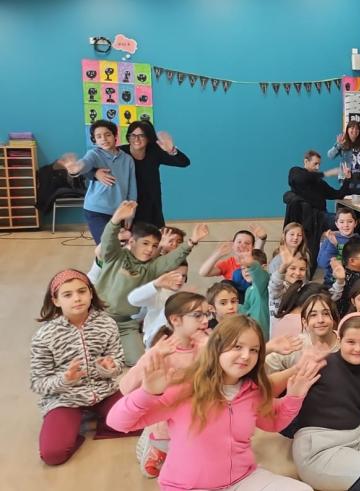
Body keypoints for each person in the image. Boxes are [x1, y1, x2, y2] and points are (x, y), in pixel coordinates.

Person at [107, 315, 320, 491]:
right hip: (187, 487)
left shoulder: (252, 390)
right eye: (237, 346)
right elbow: (118, 423)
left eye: (254, 350)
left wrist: (294, 397)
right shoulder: (185, 387)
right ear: (217, 348)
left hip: (242, 480)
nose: (246, 356)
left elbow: (272, 423)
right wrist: (147, 393)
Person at [290, 313, 360, 490]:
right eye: (351, 342)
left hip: (357, 436)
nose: (358, 348)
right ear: (340, 340)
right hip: (321, 450)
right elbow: (285, 398)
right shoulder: (321, 364)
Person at [30, 269, 127, 466]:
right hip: (65, 399)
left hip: (104, 393)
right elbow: (37, 383)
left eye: (82, 291)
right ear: (56, 300)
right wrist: (64, 380)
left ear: (91, 293)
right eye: (68, 294)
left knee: (142, 421)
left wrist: (109, 368)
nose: (77, 298)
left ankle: (99, 419)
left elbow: (118, 362)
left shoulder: (107, 324)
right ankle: (79, 426)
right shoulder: (44, 337)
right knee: (53, 455)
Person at [96, 202, 206, 365]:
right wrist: (115, 219)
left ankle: (116, 347)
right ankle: (111, 347)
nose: (149, 249)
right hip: (98, 317)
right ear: (132, 242)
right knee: (89, 356)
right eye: (145, 244)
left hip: (126, 323)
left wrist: (191, 242)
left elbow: (171, 260)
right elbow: (108, 240)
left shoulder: (152, 267)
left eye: (154, 246)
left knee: (140, 361)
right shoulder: (115, 256)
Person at [119, 292, 210, 477]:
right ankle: (153, 441)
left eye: (208, 314)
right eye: (198, 315)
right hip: (167, 425)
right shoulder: (163, 351)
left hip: (199, 420)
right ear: (176, 320)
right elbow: (125, 387)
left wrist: (210, 349)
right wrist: (150, 357)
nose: (206, 320)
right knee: (152, 473)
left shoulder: (206, 343)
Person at [59, 120, 138, 243]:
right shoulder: (94, 154)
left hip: (119, 210)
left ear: (115, 136)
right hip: (96, 210)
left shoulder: (127, 159)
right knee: (105, 246)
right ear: (94, 140)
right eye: (98, 136)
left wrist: (131, 211)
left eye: (107, 135)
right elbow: (85, 163)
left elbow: (132, 187)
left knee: (121, 246)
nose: (104, 139)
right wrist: (76, 168)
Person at [119, 121, 190, 228]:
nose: (136, 139)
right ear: (128, 137)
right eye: (133, 135)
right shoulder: (120, 152)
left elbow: (184, 162)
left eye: (141, 136)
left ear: (148, 138)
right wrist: (96, 173)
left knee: (155, 238)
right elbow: (95, 160)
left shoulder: (154, 151)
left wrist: (172, 150)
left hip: (152, 205)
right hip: (127, 204)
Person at [328, 121, 360, 195]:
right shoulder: (343, 143)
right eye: (352, 128)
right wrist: (338, 144)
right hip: (347, 179)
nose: (355, 130)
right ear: (347, 130)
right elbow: (330, 155)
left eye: (357, 129)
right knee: (347, 203)